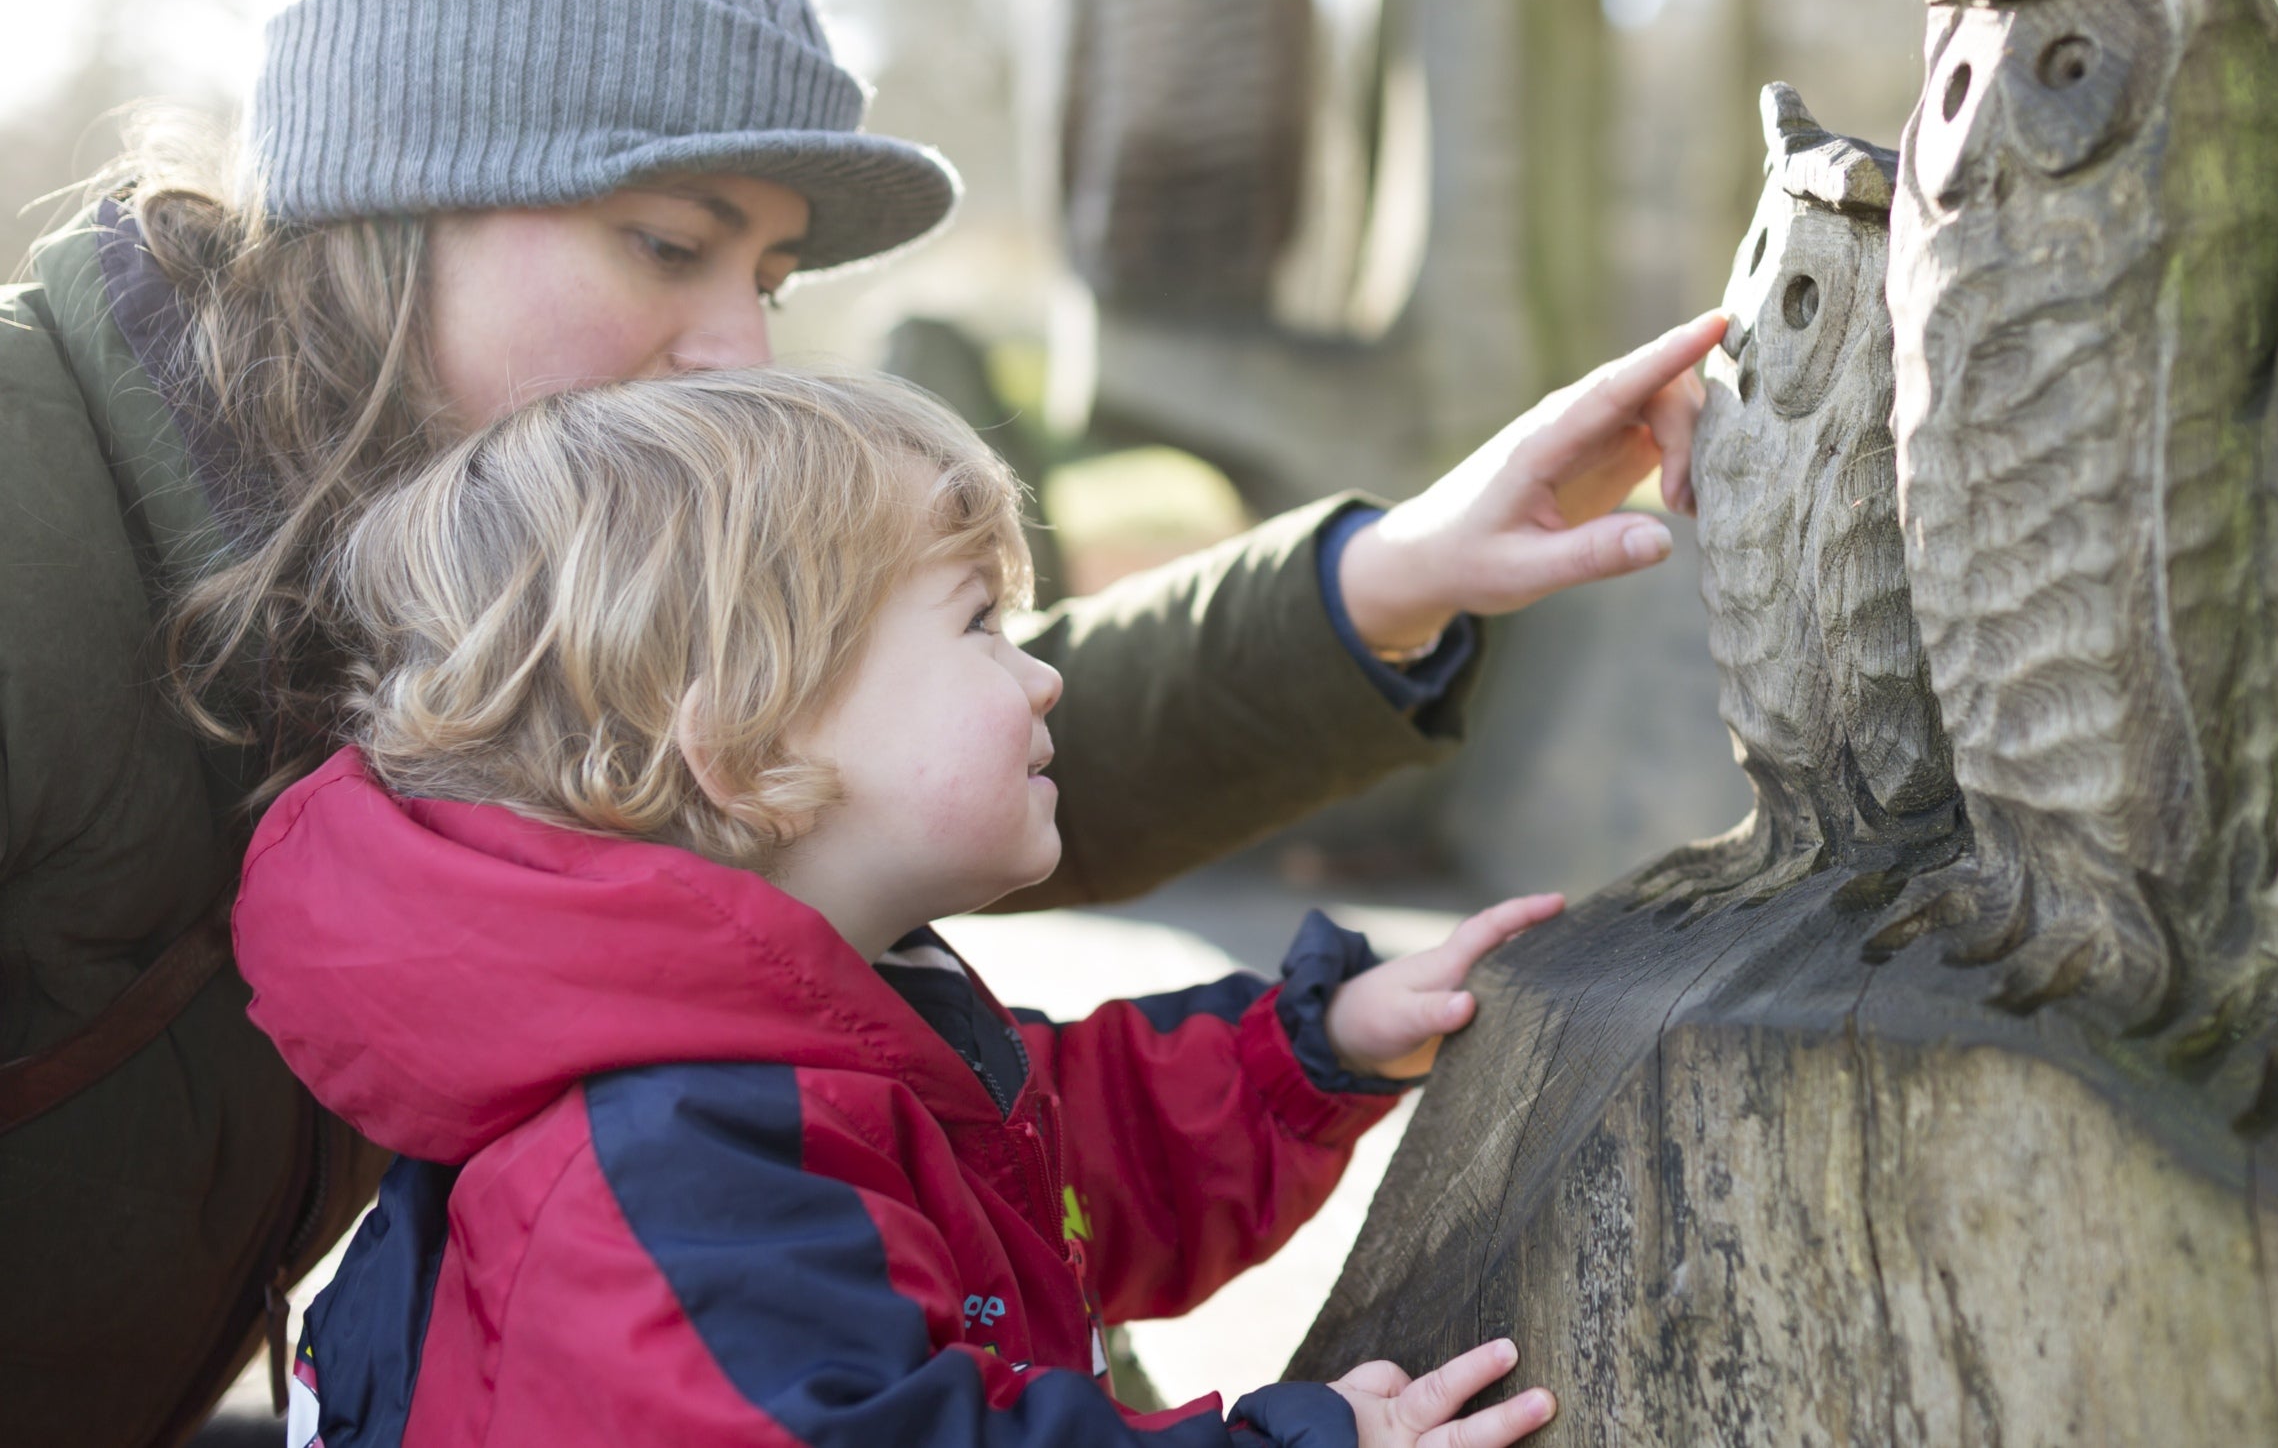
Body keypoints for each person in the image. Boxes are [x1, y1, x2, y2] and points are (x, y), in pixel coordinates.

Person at [0, 0, 1722, 1441]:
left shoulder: (510, 601)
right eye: (669, 242)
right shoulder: (40, 504)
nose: (741, 347)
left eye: (774, 273)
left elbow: (896, 758)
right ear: (385, 206)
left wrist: (1397, 572)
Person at [233, 367, 1563, 1448]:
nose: (1041, 680)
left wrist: (1306, 1050)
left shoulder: (816, 1040)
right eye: (981, 623)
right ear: (749, 748)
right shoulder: (659, 1188)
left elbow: (1061, 1161)